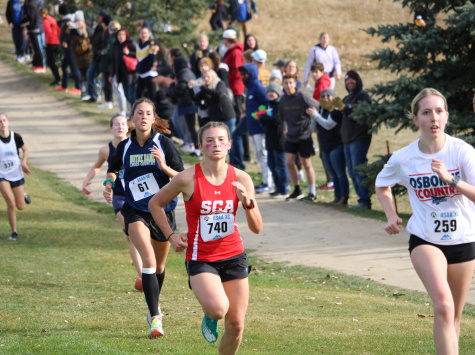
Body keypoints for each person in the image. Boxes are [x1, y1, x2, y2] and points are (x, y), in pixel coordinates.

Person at [375, 88, 475, 354]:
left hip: (464, 240)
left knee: (453, 317)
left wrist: (452, 180)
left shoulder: (462, 152)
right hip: (425, 239)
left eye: (439, 111)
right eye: (427, 112)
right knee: (442, 305)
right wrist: (391, 214)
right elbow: (382, 184)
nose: (434, 118)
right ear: (415, 118)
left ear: (447, 117)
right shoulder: (404, 157)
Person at [149, 121, 262, 351]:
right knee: (218, 309)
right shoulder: (187, 178)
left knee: (237, 325)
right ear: (201, 146)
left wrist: (247, 204)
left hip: (234, 255)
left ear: (229, 145)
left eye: (221, 140)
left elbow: (257, 228)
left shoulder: (242, 178)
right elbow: (155, 203)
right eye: (209, 141)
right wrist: (170, 236)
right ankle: (210, 314)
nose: (216, 144)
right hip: (202, 258)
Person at [104, 98, 184, 338]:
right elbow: (113, 168)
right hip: (135, 210)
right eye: (139, 113)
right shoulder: (125, 146)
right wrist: (109, 183)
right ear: (133, 117)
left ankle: (153, 305)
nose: (144, 117)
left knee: (159, 266)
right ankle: (156, 318)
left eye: (148, 113)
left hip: (162, 211)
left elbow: (180, 176)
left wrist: (163, 165)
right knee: (147, 260)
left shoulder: (164, 144)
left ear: (153, 118)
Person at [82, 114, 143, 290]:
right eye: (116, 124)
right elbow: (97, 166)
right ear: (111, 128)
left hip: (139, 196)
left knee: (143, 236)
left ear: (127, 127)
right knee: (133, 236)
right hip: (120, 197)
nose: (120, 127)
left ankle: (148, 270)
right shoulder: (106, 150)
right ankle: (143, 277)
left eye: (123, 124)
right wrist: (87, 180)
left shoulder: (136, 146)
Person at [279, 74, 319, 201]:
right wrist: (284, 128)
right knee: (289, 162)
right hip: (290, 136)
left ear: (295, 83)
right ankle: (297, 189)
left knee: (306, 163)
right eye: (286, 83)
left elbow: (317, 106)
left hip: (304, 135)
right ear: (283, 85)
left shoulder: (302, 97)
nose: (288, 85)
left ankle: (312, 192)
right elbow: (281, 116)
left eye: (290, 82)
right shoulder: (283, 100)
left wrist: (312, 114)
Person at [308, 88, 349, 204]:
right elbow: (313, 129)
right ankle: (337, 196)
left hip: (336, 146)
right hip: (325, 147)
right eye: (323, 96)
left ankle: (344, 197)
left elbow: (328, 125)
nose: (325, 97)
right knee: (333, 174)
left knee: (340, 173)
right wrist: (313, 117)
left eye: (328, 95)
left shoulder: (335, 111)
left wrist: (315, 115)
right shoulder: (321, 110)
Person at [341, 70, 372, 209]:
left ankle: (365, 201)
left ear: (358, 81)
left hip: (359, 138)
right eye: (347, 80)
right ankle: (361, 198)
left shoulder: (363, 96)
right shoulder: (346, 98)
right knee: (352, 171)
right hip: (347, 140)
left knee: (359, 169)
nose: (350, 82)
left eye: (352, 80)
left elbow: (361, 112)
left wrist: (348, 109)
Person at [0, 113, 31, 241]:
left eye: (4, 120)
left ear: (8, 122)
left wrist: (23, 162)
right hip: (2, 175)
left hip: (16, 173)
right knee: (10, 203)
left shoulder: (16, 137)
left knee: (20, 206)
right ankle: (14, 232)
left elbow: (26, 150)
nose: (2, 123)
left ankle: (23, 195)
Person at [259, 82, 289, 198]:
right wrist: (264, 118)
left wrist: (264, 117)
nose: (270, 94)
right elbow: (265, 121)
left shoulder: (280, 105)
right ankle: (278, 187)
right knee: (272, 165)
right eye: (269, 91)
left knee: (280, 165)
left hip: (279, 140)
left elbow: (276, 120)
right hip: (270, 140)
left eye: (273, 92)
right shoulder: (268, 105)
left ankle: (284, 188)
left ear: (277, 93)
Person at [189, 69, 236, 134]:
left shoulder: (219, 84)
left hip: (226, 116)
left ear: (213, 77)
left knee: (227, 138)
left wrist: (203, 88)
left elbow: (218, 94)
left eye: (208, 77)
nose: (206, 79)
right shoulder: (205, 89)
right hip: (216, 118)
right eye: (204, 77)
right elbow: (195, 98)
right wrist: (190, 88)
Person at [56, 3, 82, 95]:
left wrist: (66, 41)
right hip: (67, 48)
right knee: (64, 66)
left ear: (60, 13)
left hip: (70, 48)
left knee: (73, 67)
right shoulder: (67, 20)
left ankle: (79, 88)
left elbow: (73, 33)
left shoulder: (68, 22)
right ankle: (64, 86)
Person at [110, 28, 137, 110]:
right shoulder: (115, 46)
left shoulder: (130, 44)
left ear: (126, 36)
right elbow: (114, 62)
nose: (121, 36)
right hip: (121, 74)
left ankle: (133, 114)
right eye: (119, 35)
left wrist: (130, 53)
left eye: (123, 35)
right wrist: (112, 74)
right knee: (127, 95)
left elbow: (139, 55)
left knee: (131, 96)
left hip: (131, 74)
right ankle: (131, 113)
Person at [20, 0, 45, 73]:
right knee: (34, 47)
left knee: (37, 48)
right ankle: (36, 64)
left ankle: (41, 65)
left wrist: (23, 23)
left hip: (34, 28)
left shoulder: (31, 4)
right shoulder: (29, 3)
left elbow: (31, 17)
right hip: (32, 28)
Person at [135, 26, 159, 101]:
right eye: (142, 33)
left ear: (149, 34)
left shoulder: (151, 44)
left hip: (150, 73)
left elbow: (155, 58)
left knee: (152, 96)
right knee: (138, 95)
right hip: (141, 73)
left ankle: (154, 112)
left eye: (145, 33)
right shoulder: (138, 44)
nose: (143, 35)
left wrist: (155, 50)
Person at [40, 7, 61, 87]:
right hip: (56, 42)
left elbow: (48, 32)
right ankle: (57, 78)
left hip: (51, 43)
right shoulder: (52, 19)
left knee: (51, 62)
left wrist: (47, 42)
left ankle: (57, 79)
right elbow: (58, 30)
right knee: (52, 62)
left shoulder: (45, 22)